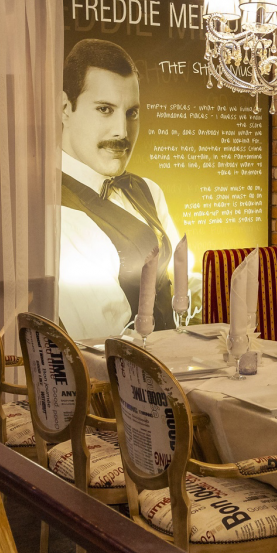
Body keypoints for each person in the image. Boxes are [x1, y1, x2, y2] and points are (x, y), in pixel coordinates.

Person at [57, 38, 192, 339]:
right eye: (105, 109)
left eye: (131, 113)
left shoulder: (148, 190)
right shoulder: (56, 210)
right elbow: (104, 335)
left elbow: (176, 278)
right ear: (65, 108)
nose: (122, 131)